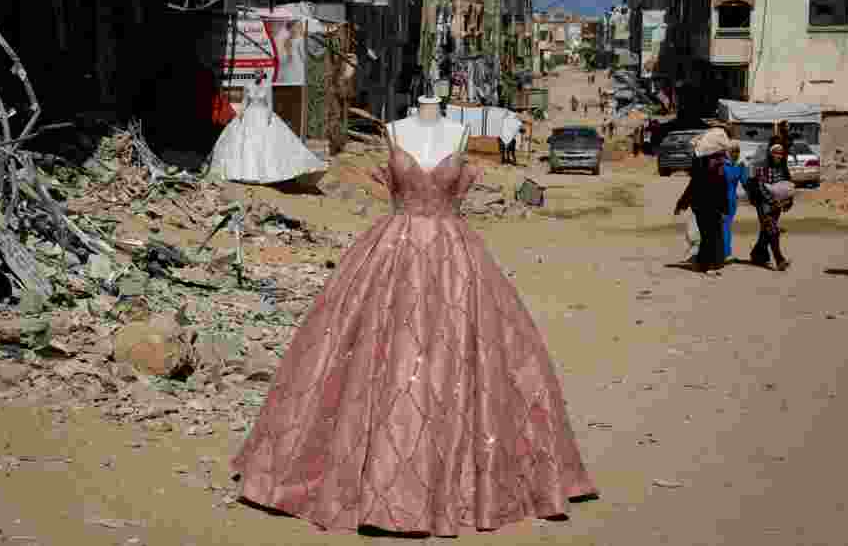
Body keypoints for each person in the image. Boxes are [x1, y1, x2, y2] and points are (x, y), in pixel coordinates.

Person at [230, 113, 596, 536]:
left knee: (466, 360)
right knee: (361, 353)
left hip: (454, 261)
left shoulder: (459, 133)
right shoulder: (394, 129)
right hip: (392, 252)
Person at [675, 147, 729, 276]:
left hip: (715, 209)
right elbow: (690, 190)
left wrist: (725, 209)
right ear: (708, 159)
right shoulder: (700, 172)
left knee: (714, 236)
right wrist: (681, 205)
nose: (717, 161)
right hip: (702, 209)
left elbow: (723, 193)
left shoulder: (720, 173)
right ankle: (708, 265)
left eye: (719, 158)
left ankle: (702, 262)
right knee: (708, 236)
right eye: (715, 158)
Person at [747, 141, 793, 271]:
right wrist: (772, 201)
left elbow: (787, 185)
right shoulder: (762, 167)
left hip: (778, 205)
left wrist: (788, 200)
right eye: (776, 153)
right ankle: (780, 259)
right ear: (770, 154)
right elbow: (761, 187)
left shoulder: (782, 168)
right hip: (764, 205)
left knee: (766, 232)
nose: (779, 156)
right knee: (772, 230)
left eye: (781, 154)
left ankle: (757, 254)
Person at [722, 142, 749, 261]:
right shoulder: (739, 166)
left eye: (736, 151)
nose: (736, 154)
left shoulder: (722, 165)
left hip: (723, 200)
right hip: (731, 200)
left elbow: (746, 184)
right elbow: (746, 184)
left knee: (722, 226)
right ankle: (726, 252)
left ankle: (725, 252)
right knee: (726, 226)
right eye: (734, 151)